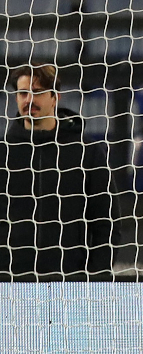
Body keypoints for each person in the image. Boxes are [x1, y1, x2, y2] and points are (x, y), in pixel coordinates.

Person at [0, 63, 118, 280]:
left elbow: (106, 224)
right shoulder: (3, 152)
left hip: (70, 285)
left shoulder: (88, 152)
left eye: (37, 93)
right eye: (23, 93)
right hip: (9, 286)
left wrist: (94, 280)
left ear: (55, 97)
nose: (29, 100)